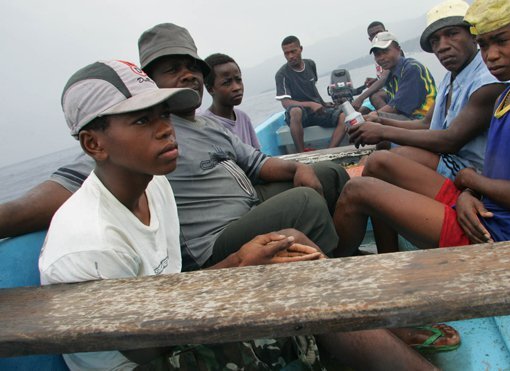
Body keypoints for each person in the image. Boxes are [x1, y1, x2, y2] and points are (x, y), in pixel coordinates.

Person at [41, 59, 438, 371]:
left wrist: (241, 262)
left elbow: (171, 292)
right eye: (143, 120)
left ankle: (368, 331)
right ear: (94, 143)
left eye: (164, 115)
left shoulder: (153, 184)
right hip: (146, 360)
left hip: (167, 319)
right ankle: (366, 336)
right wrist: (236, 266)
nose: (166, 130)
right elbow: (149, 344)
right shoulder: (89, 245)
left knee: (291, 245)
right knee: (299, 306)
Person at [0, 23, 349, 273]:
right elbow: (74, 182)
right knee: (303, 202)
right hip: (221, 239)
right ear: (148, 83)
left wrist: (297, 167)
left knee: (329, 173)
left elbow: (256, 162)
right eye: (172, 69)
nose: (188, 76)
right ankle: (331, 273)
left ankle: (344, 259)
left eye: (192, 68)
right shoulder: (137, 144)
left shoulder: (208, 123)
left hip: (251, 201)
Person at [333, 0, 510, 256]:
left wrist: (468, 180)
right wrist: (468, 193)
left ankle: (335, 274)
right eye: (484, 44)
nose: (490, 55)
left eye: (501, 41)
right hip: (483, 210)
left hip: (506, 237)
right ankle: (385, 262)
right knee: (378, 164)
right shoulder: (509, 95)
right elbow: (496, 173)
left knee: (358, 191)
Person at [349, 0, 506, 180]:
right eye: (435, 40)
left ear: (473, 36)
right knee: (381, 163)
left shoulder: (488, 81)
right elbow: (426, 124)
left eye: (452, 34)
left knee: (380, 161)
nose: (442, 46)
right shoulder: (450, 77)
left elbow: (450, 140)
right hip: (450, 158)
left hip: (474, 172)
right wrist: (380, 121)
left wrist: (382, 131)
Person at [275, 35, 346, 153]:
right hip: (298, 116)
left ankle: (330, 152)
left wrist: (323, 103)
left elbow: (312, 88)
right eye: (286, 53)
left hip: (316, 112)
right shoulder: (282, 74)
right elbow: (286, 102)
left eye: (293, 51)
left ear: (301, 49)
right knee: (295, 111)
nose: (290, 56)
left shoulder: (310, 65)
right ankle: (302, 154)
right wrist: (311, 104)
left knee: (343, 117)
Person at [369, 31, 437, 120]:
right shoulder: (391, 74)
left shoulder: (412, 68)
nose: (381, 57)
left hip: (424, 120)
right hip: (409, 117)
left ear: (398, 50)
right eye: (377, 54)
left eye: (385, 51)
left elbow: (397, 107)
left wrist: (372, 116)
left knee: (372, 123)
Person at [199, 53, 260, 149]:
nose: (237, 87)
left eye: (238, 79)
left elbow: (258, 154)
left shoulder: (243, 117)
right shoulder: (206, 126)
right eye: (227, 82)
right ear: (210, 89)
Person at [351, 21, 393, 114]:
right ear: (370, 39)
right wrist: (376, 79)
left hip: (396, 92)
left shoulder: (392, 50)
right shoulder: (377, 54)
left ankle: (393, 121)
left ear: (386, 32)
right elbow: (386, 76)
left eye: (379, 33)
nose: (377, 37)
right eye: (373, 35)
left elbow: (384, 79)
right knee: (360, 113)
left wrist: (361, 98)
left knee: (375, 96)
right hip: (386, 91)